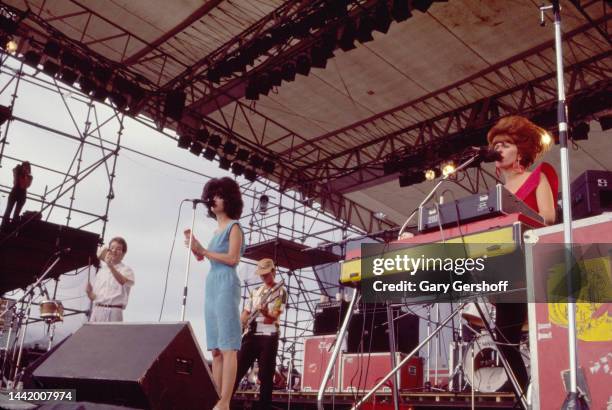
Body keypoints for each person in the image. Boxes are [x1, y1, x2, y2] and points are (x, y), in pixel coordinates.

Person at [487, 115, 558, 392]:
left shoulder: (538, 177)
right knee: (505, 340)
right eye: (496, 145)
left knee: (546, 337)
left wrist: (515, 215)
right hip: (508, 270)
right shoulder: (498, 192)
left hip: (534, 265)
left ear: (521, 150)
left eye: (505, 144)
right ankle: (522, 391)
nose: (499, 149)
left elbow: (549, 218)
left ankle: (545, 390)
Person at [184, 177, 245, 410]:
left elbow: (232, 259)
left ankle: (225, 402)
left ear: (229, 199)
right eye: (212, 194)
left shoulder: (234, 226)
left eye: (219, 194)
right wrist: (196, 248)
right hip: (212, 284)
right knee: (217, 349)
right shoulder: (216, 229)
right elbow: (206, 257)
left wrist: (205, 251)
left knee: (229, 345)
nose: (213, 199)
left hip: (226, 284)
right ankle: (215, 399)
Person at [234, 258, 287, 409]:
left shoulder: (280, 291)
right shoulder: (255, 292)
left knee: (265, 376)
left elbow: (275, 315)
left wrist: (265, 312)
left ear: (273, 272)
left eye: (266, 274)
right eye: (261, 274)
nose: (264, 277)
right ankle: (226, 403)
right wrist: (241, 324)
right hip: (252, 334)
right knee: (237, 368)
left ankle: (264, 406)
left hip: (269, 336)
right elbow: (246, 312)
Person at [86, 236, 135, 322]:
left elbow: (122, 281)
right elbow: (95, 297)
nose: (114, 251)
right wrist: (89, 292)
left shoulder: (126, 270)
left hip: (114, 311)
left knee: (112, 335)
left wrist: (111, 266)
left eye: (118, 249)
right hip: (97, 310)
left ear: (123, 253)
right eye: (112, 248)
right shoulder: (101, 271)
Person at [1, 161, 33, 230]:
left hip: (22, 195)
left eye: (27, 167)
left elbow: (23, 186)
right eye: (24, 166)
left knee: (16, 213)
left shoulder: (29, 177)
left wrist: (25, 175)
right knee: (8, 210)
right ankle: (3, 227)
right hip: (14, 192)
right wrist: (18, 170)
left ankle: (11, 229)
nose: (25, 168)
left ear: (29, 169)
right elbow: (15, 181)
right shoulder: (18, 172)